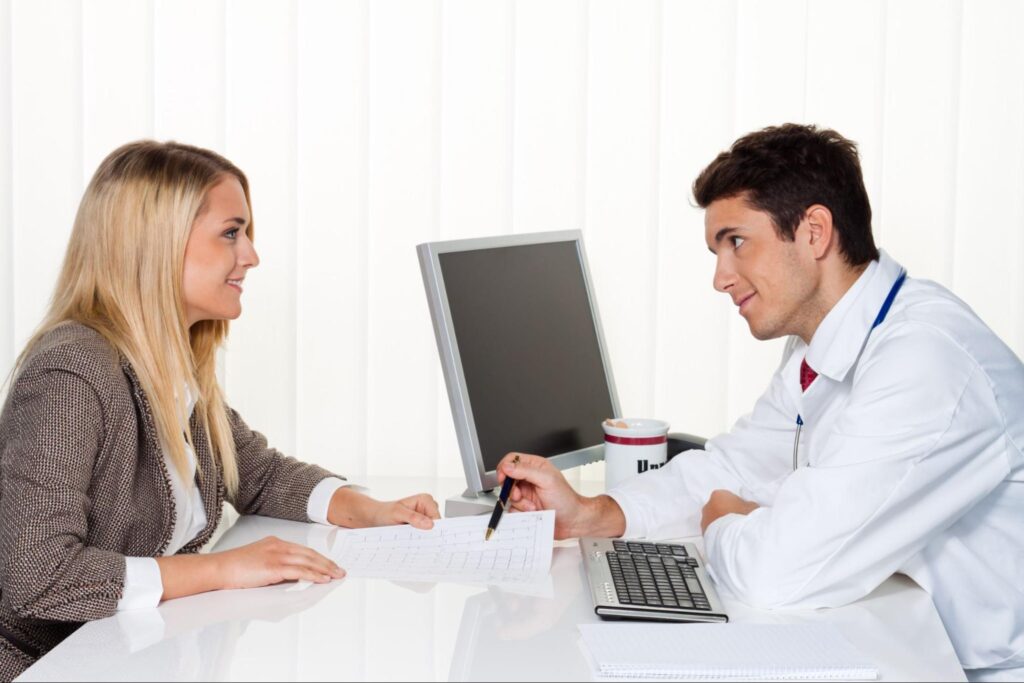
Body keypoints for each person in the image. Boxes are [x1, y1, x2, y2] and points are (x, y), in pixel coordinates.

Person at [496, 124, 1024, 681]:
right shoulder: (826, 341)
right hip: (906, 640)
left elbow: (777, 571)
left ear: (814, 232)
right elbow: (734, 466)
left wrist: (725, 519)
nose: (721, 278)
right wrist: (591, 515)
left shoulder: (924, 363)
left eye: (736, 241)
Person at [0, 141, 440, 680]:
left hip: (126, 656)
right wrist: (221, 569)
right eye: (231, 233)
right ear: (156, 243)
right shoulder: (71, 375)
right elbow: (38, 575)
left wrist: (369, 510)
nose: (251, 255)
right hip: (45, 667)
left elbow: (255, 473)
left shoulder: (169, 362)